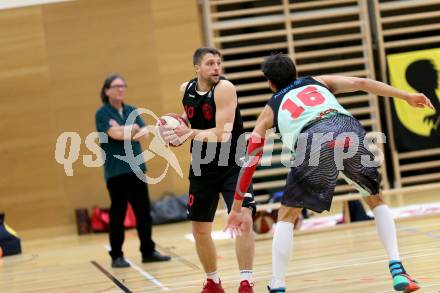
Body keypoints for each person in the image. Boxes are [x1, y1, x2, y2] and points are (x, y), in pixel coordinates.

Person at [224, 54, 433, 293]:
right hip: (346, 127)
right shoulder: (317, 81)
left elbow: (251, 160)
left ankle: (278, 285)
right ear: (295, 71)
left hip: (312, 137)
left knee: (287, 215)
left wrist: (237, 206)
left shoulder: (270, 109)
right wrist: (406, 96)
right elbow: (361, 83)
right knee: (375, 198)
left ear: (270, 84)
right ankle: (398, 270)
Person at [162, 47, 256, 293]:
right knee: (199, 228)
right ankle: (213, 281)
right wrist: (175, 127)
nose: (216, 68)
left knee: (243, 218)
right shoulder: (186, 89)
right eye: (210, 63)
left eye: (218, 63)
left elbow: (222, 133)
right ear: (197, 68)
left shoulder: (225, 88)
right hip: (203, 164)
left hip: (232, 161)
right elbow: (193, 116)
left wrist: (188, 133)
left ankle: (246, 281)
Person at [95, 74, 171, 268]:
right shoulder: (102, 113)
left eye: (123, 86)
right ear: (107, 91)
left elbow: (145, 133)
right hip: (116, 171)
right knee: (118, 215)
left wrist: (127, 130)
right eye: (116, 86)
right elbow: (113, 134)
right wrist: (132, 129)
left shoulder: (132, 109)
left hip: (137, 168)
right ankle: (117, 256)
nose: (121, 89)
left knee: (143, 213)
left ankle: (148, 251)